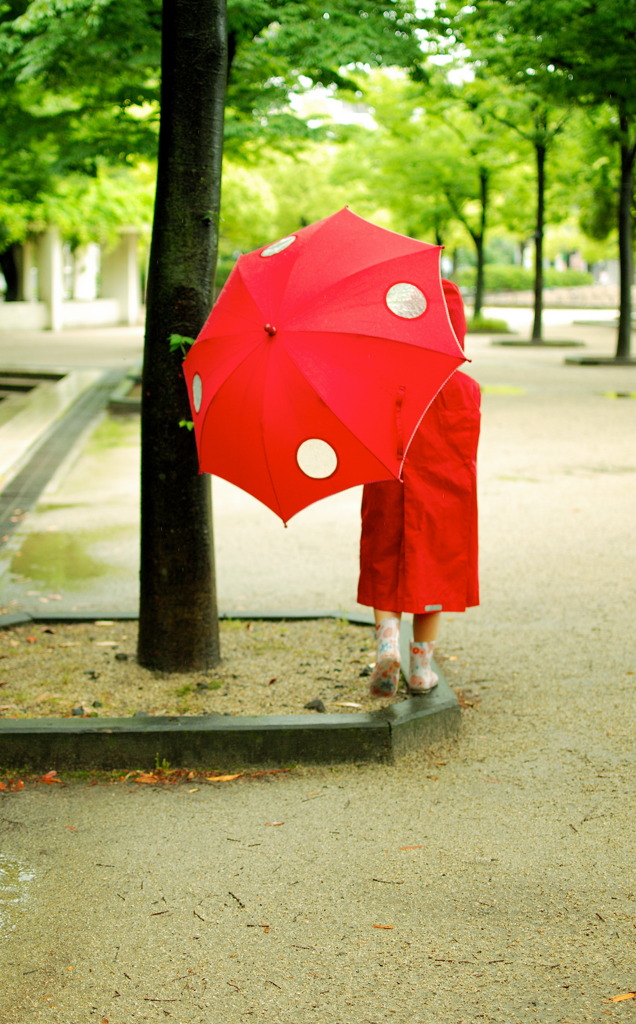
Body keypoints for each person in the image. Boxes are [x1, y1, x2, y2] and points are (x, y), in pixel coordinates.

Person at [357, 279, 481, 697]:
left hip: (388, 486)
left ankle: (387, 643)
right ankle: (420, 669)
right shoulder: (466, 391)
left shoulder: (381, 383)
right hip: (444, 498)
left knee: (383, 563)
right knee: (436, 574)